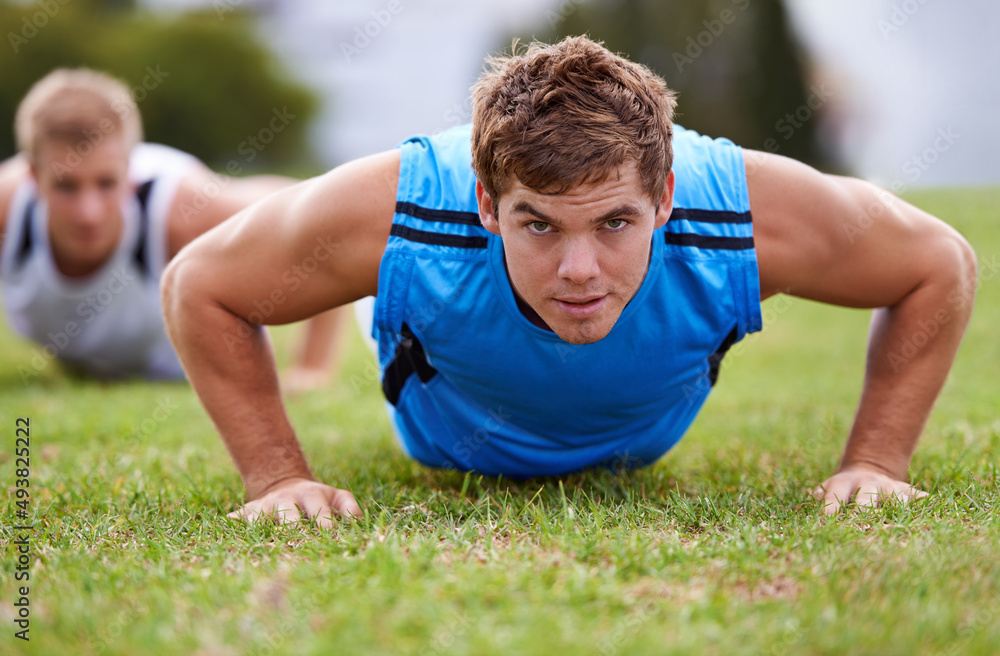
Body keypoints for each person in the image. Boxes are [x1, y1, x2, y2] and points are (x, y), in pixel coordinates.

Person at [161, 37, 977, 525]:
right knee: (417, 269)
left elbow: (939, 264)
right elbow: (201, 285)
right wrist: (279, 477)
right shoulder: (403, 208)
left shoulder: (740, 210)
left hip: (643, 438)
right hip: (449, 442)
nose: (580, 270)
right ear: (487, 202)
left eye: (615, 223)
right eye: (540, 225)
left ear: (662, 199)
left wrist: (877, 461)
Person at [0, 68, 348, 384]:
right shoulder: (6, 207)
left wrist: (312, 367)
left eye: (106, 183)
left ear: (131, 171)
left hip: (174, 369)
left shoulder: (186, 211)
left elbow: (320, 218)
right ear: (33, 176)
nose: (88, 213)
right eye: (66, 186)